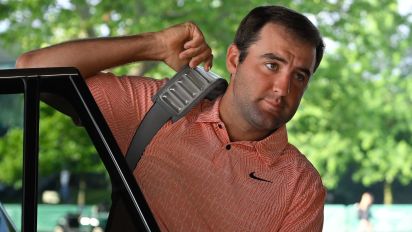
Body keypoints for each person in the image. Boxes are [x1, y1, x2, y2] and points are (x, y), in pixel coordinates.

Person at [16, 5, 326, 231]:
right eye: (272, 65)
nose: (283, 87)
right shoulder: (155, 110)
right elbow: (31, 68)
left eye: (300, 76)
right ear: (235, 59)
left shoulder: (301, 186)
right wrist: (155, 45)